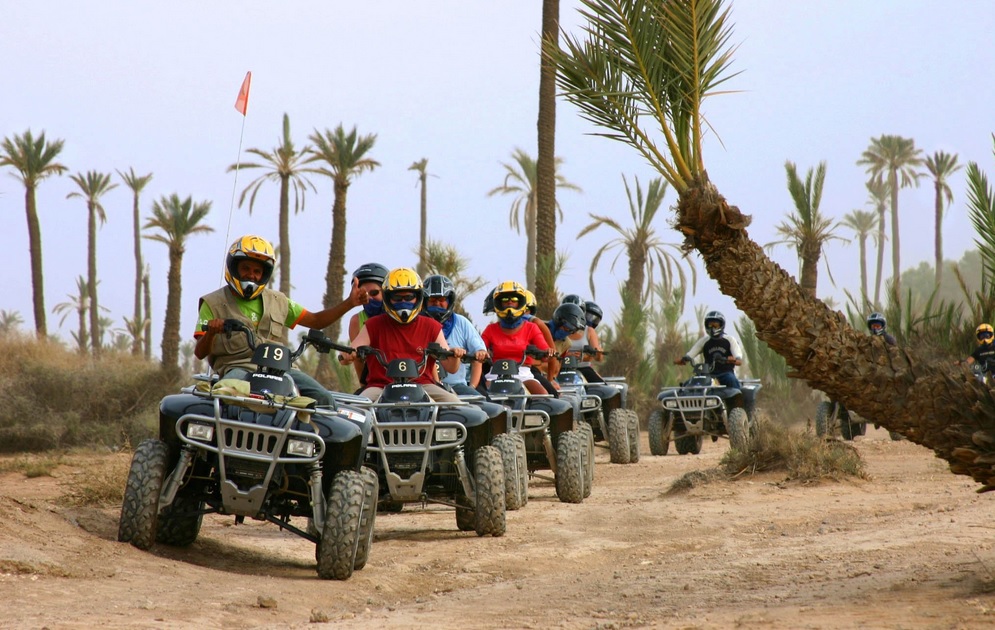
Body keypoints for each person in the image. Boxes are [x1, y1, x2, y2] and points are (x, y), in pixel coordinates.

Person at [194, 235, 366, 407]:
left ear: (264, 274)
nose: (251, 275)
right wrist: (211, 332)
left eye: (257, 271)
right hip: (238, 367)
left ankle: (304, 434)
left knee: (324, 399)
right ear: (233, 267)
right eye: (245, 268)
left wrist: (350, 303)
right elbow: (200, 353)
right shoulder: (212, 303)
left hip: (281, 368)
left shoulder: (278, 301)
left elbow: (316, 321)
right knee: (227, 395)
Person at [344, 268, 464, 403]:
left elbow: (451, 368)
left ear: (418, 297)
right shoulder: (373, 325)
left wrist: (455, 355)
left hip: (424, 385)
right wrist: (348, 354)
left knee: (457, 407)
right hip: (379, 387)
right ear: (388, 298)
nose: (403, 302)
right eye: (397, 297)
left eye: (408, 297)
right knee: (357, 412)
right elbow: (350, 351)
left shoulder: (432, 326)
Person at [481, 281, 551, 396]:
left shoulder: (532, 328)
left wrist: (546, 353)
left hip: (523, 374)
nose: (509, 303)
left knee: (543, 395)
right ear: (498, 304)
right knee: (484, 397)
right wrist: (479, 352)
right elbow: (479, 347)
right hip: (495, 374)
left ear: (521, 302)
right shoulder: (490, 329)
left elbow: (545, 352)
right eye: (505, 301)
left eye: (513, 300)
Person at [423, 274, 487, 396]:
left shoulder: (461, 322)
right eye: (432, 300)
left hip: (456, 386)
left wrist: (472, 387)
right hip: (424, 385)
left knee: (481, 404)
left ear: (449, 301)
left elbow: (479, 353)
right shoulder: (418, 323)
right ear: (424, 302)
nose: (437, 304)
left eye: (441, 300)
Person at [675, 310, 743, 390]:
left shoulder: (729, 340)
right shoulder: (704, 341)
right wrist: (684, 359)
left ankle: (740, 401)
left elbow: (739, 360)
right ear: (706, 325)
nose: (712, 328)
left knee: (732, 380)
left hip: (725, 373)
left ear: (721, 325)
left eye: (715, 325)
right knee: (687, 384)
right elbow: (691, 354)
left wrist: (732, 360)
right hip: (708, 375)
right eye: (710, 325)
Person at [346, 262, 389, 383]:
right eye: (363, 294)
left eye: (374, 293)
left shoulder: (397, 316)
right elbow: (358, 361)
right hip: (375, 382)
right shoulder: (356, 321)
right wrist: (364, 386)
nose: (369, 298)